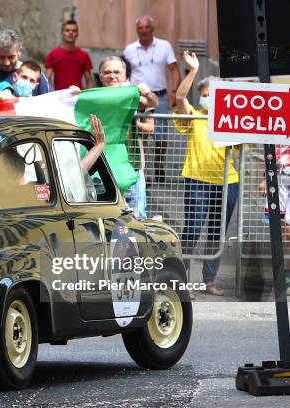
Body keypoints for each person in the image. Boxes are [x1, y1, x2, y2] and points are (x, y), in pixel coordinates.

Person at [174, 50, 239, 296]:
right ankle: (182, 281)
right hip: (198, 180)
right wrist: (192, 71)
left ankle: (209, 281)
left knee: (217, 232)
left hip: (228, 182)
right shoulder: (194, 116)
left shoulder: (232, 120)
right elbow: (180, 97)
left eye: (212, 96)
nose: (207, 100)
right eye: (204, 96)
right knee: (192, 229)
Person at [98, 56, 158, 219]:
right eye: (108, 72)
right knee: (104, 217)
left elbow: (153, 102)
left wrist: (146, 92)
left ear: (124, 76)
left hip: (132, 165)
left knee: (136, 217)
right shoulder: (94, 98)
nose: (112, 76)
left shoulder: (131, 96)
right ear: (100, 76)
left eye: (116, 72)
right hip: (101, 166)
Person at [123, 16, 181, 183]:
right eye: (140, 28)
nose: (144, 30)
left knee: (161, 136)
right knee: (142, 134)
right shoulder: (129, 49)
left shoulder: (164, 46)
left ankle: (159, 163)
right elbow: (124, 72)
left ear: (152, 28)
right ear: (137, 30)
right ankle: (145, 170)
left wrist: (175, 91)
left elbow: (174, 69)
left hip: (160, 95)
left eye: (147, 27)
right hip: (138, 96)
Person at [259, 146, 290, 295]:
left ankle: (287, 276)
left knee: (289, 233)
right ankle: (284, 277)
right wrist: (264, 178)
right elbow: (269, 148)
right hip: (277, 179)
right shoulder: (279, 122)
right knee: (280, 232)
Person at [0, 29, 50, 96]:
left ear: (19, 51)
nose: (6, 62)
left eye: (11, 57)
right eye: (1, 57)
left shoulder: (36, 77)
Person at [45, 20, 94, 90]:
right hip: (59, 96)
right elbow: (46, 79)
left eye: (74, 31)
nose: (70, 33)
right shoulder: (53, 54)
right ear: (62, 33)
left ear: (77, 34)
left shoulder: (84, 55)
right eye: (67, 30)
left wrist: (88, 97)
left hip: (78, 95)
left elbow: (89, 81)